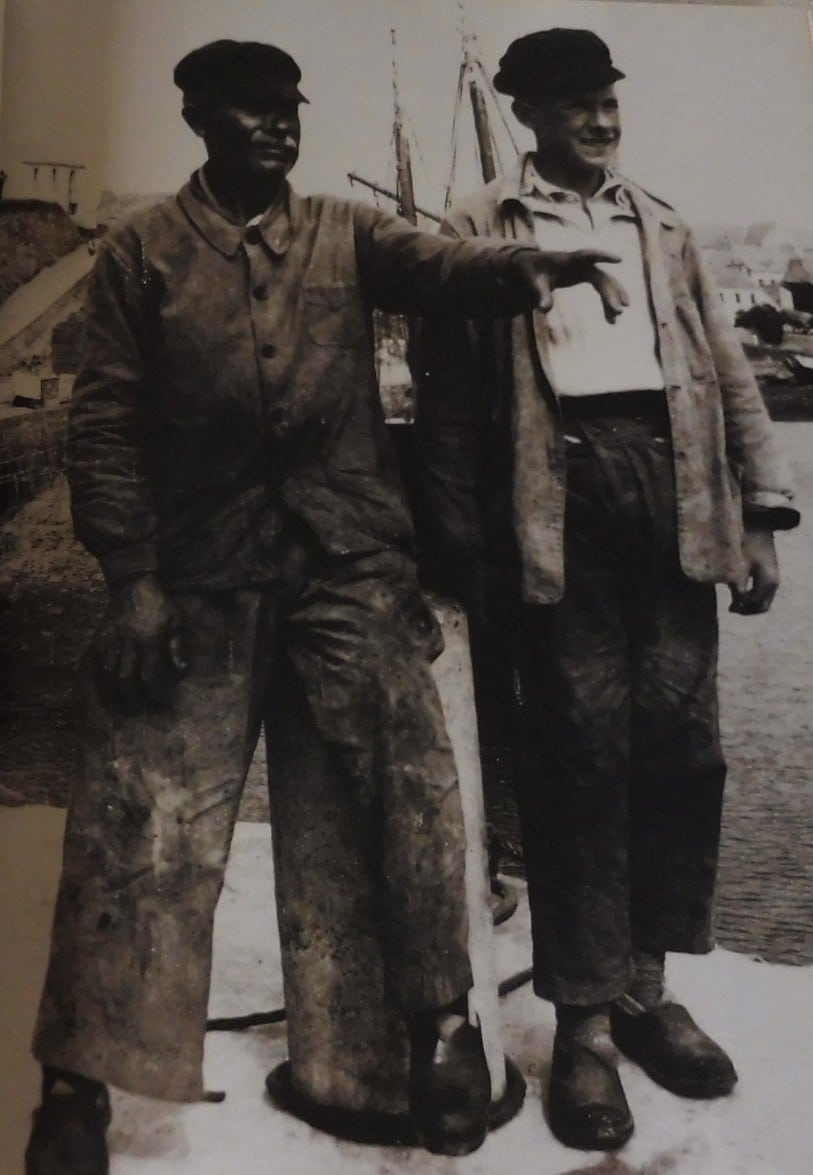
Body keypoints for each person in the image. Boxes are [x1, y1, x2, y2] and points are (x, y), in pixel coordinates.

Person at [24, 39, 627, 1174]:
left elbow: (441, 265)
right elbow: (101, 426)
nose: (278, 126)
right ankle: (78, 1084)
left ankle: (442, 1024)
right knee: (141, 807)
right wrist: (133, 581)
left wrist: (527, 271)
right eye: (251, 111)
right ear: (199, 118)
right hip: (197, 578)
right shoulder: (140, 252)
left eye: (288, 109)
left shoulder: (346, 233)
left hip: (348, 567)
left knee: (412, 774)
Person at [415, 27, 800, 1153]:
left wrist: (764, 520)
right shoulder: (480, 230)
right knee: (580, 759)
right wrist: (456, 550)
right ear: (528, 112)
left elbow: (727, 373)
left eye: (609, 100)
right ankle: (580, 1025)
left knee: (684, 750)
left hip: (675, 502)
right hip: (556, 500)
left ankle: (645, 989)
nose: (601, 117)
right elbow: (444, 403)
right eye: (577, 102)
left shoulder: (661, 222)